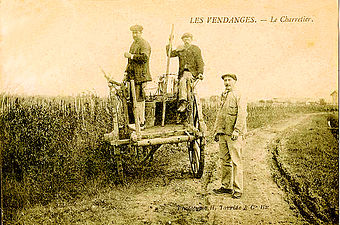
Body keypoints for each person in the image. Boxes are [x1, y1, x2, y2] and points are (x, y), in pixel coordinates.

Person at [213, 74, 247, 199]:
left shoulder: (239, 95)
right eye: (225, 80)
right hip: (223, 133)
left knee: (236, 161)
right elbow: (220, 115)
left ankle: (238, 189)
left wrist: (237, 130)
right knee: (224, 161)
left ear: (235, 81)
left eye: (229, 80)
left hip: (234, 134)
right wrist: (216, 131)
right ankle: (226, 186)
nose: (227, 82)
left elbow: (242, 114)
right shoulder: (223, 95)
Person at [166, 33, 204, 112]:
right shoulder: (180, 49)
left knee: (183, 80)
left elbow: (200, 62)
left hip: (192, 73)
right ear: (182, 40)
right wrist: (170, 42)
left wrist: (200, 73)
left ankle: (183, 102)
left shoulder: (195, 49)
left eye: (188, 38)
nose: (186, 40)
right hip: (182, 73)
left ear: (191, 39)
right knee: (179, 83)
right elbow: (170, 54)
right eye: (185, 39)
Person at [124, 24, 152, 129]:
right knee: (133, 99)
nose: (134, 35)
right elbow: (130, 62)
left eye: (136, 33)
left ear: (141, 33)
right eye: (133, 33)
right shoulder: (133, 44)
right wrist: (126, 73)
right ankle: (137, 122)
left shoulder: (144, 44)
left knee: (139, 99)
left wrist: (131, 56)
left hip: (141, 76)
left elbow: (145, 58)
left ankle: (141, 123)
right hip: (133, 77)